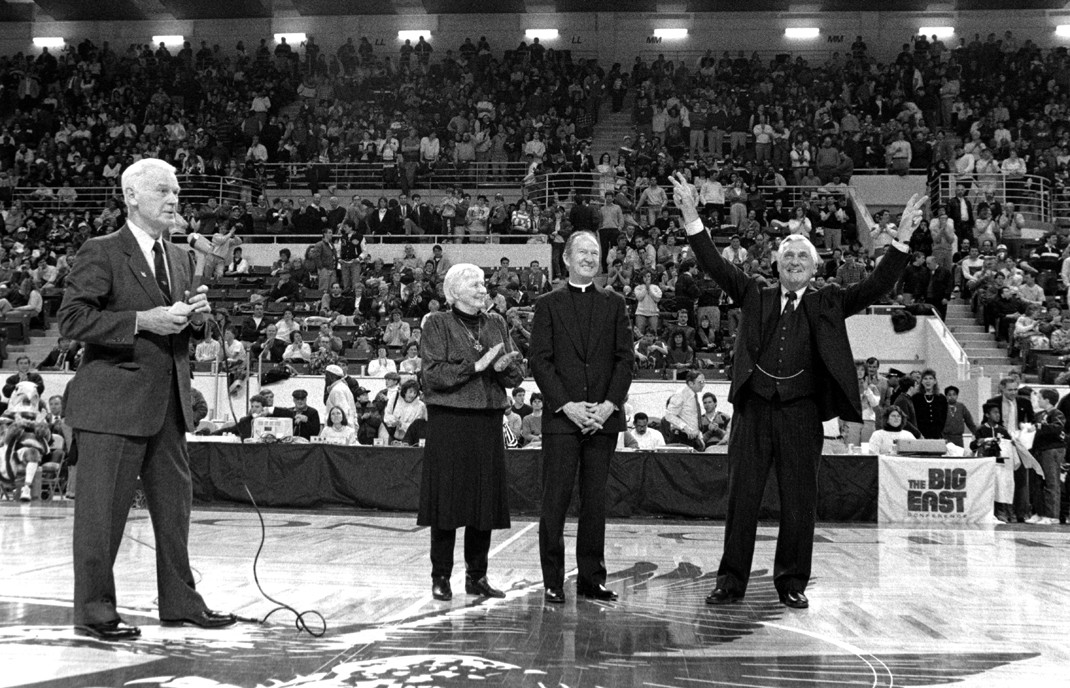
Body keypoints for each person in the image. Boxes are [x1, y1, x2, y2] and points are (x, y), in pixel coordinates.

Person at [669, 171, 924, 610]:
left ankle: (791, 581)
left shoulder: (830, 300)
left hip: (802, 413)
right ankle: (731, 581)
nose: (793, 263)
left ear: (815, 266)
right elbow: (714, 263)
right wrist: (692, 216)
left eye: (801, 258)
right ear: (776, 265)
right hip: (754, 410)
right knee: (741, 501)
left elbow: (877, 285)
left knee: (800, 501)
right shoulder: (753, 293)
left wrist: (900, 240)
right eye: (787, 257)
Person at [57, 158, 235, 641]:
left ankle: (180, 602)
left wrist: (195, 319)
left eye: (176, 190)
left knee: (175, 512)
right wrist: (141, 321)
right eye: (162, 190)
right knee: (101, 516)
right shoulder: (102, 251)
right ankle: (94, 611)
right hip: (112, 404)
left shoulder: (177, 257)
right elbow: (72, 320)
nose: (174, 198)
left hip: (169, 406)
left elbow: (179, 326)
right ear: (131, 196)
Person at [530, 230, 633, 604]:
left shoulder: (615, 303)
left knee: (595, 503)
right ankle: (553, 580)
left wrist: (608, 406)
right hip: (562, 419)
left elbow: (625, 361)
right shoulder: (547, 303)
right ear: (567, 259)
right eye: (583, 252)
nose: (590, 257)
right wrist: (568, 406)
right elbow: (539, 361)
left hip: (603, 420)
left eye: (596, 252)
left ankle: (592, 579)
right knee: (554, 502)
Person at [418, 263, 525, 601]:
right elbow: (433, 376)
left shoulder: (496, 322)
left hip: (487, 420)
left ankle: (476, 577)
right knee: (446, 503)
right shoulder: (436, 323)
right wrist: (476, 366)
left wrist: (505, 368)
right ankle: (441, 577)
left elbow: (516, 374)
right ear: (455, 291)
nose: (483, 290)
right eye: (476, 285)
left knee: (483, 504)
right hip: (449, 421)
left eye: (483, 284)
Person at [986, 377, 1035, 523]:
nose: (1013, 392)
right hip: (1002, 444)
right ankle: (1000, 511)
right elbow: (986, 421)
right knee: (1001, 479)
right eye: (1010, 390)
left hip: (1020, 443)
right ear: (1002, 388)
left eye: (1015, 389)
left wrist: (1026, 428)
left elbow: (1031, 420)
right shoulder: (992, 402)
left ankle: (1021, 512)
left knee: (1021, 479)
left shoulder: (1024, 402)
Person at [1028, 388, 1064, 525]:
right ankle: (1040, 512)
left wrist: (1040, 427)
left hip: (1052, 450)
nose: (1038, 400)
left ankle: (1052, 515)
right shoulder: (1039, 415)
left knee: (1051, 482)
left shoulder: (1057, 414)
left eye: (1040, 398)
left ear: (1047, 400)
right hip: (1039, 450)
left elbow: (1057, 428)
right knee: (1037, 483)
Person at [663, 370, 706, 450]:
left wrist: (699, 436)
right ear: (690, 383)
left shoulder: (695, 395)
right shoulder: (680, 394)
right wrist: (685, 427)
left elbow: (694, 417)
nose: (703, 385)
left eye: (704, 381)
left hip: (693, 437)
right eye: (700, 382)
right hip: (681, 437)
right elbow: (669, 415)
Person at [910, 369, 948, 440]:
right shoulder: (916, 398)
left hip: (937, 436)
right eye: (925, 378)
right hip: (920, 436)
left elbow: (944, 418)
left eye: (930, 378)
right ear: (921, 382)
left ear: (935, 381)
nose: (928, 381)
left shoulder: (941, 398)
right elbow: (913, 418)